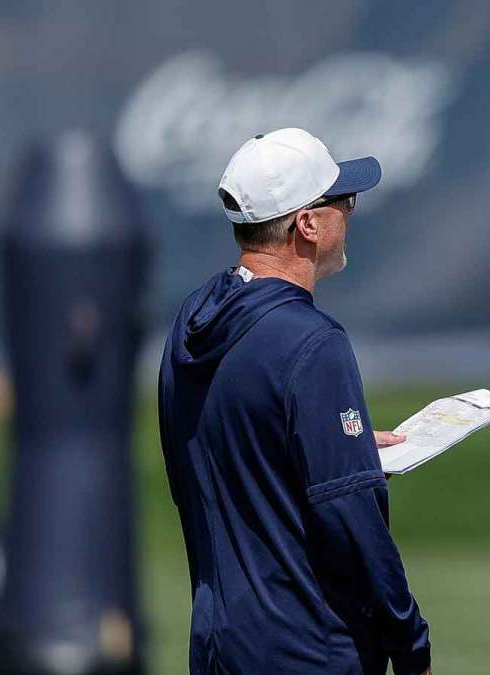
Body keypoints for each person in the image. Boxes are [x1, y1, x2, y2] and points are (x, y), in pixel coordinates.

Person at [157, 128, 431, 675]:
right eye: (341, 201)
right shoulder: (313, 342)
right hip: (310, 651)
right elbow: (353, 521)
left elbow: (228, 451)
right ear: (307, 224)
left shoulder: (192, 324)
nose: (350, 213)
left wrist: (332, 446)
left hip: (218, 648)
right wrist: (410, 642)